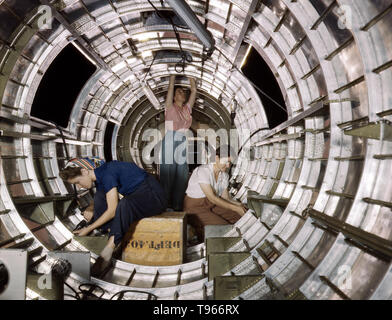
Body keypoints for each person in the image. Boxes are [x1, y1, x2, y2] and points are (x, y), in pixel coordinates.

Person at [59, 158, 167, 276]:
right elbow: (103, 199)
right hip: (137, 196)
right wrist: (90, 211)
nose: (79, 187)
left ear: (85, 171)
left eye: (77, 182)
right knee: (100, 196)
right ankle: (110, 233)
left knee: (124, 204)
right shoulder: (100, 176)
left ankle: (110, 248)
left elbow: (112, 211)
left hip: (154, 197)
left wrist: (88, 229)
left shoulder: (107, 173)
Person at [183, 146, 247, 242]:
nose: (228, 165)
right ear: (216, 158)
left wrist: (241, 205)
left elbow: (226, 198)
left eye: (230, 163)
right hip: (194, 208)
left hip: (211, 204)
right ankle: (199, 234)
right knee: (223, 227)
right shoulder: (203, 171)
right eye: (226, 161)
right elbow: (212, 198)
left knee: (238, 217)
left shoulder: (224, 175)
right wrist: (236, 208)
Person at [160, 75, 197, 211]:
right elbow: (170, 87)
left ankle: (177, 205)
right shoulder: (170, 106)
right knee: (167, 174)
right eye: (178, 92)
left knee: (182, 174)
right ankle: (164, 206)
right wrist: (173, 76)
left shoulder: (187, 109)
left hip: (181, 140)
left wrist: (191, 76)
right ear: (174, 97)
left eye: (183, 91)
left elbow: (193, 91)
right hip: (170, 140)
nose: (182, 93)